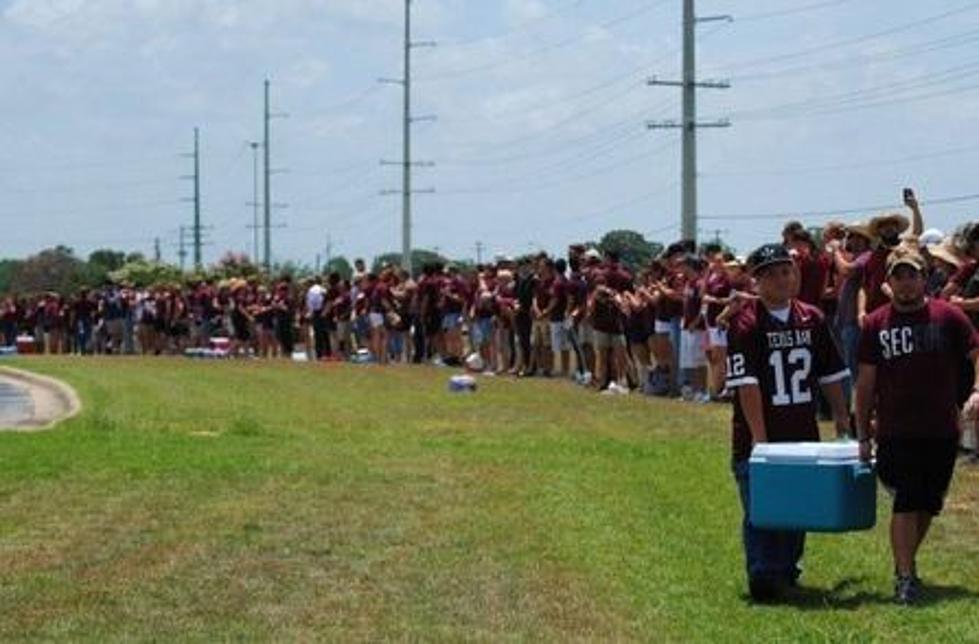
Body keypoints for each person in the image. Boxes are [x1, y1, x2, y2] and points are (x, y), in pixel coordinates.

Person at [725, 243, 851, 602]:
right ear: (757, 280)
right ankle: (764, 576)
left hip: (801, 435)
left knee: (797, 506)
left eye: (787, 271)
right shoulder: (747, 322)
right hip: (760, 436)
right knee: (762, 508)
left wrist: (842, 418)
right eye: (772, 273)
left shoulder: (811, 318)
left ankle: (787, 570)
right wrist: (761, 442)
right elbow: (747, 386)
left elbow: (831, 373)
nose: (783, 279)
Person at [854, 248, 979, 604]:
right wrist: (862, 432)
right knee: (907, 500)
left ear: (924, 278)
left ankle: (906, 563)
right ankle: (905, 577)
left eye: (913, 275)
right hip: (896, 429)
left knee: (929, 503)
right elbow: (865, 382)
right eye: (900, 276)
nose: (907, 282)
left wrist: (977, 388)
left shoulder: (949, 316)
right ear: (888, 282)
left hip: (941, 428)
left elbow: (976, 351)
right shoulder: (876, 323)